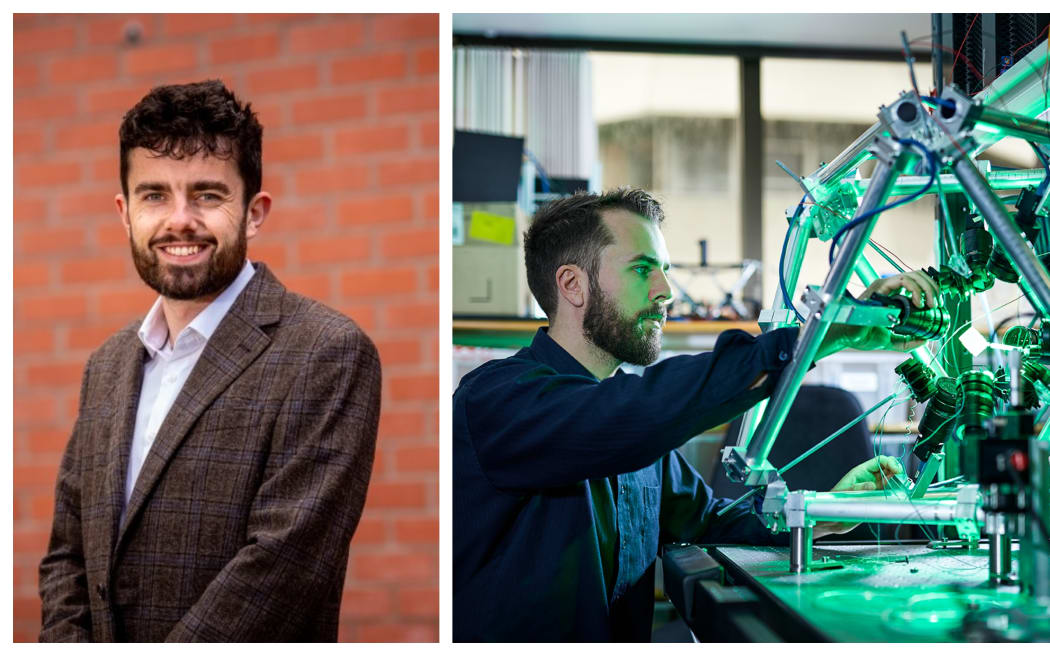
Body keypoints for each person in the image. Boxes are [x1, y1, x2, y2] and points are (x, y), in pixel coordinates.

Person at [452, 188, 937, 641]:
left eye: (664, 268)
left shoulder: (631, 416)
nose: (667, 290)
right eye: (643, 269)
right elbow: (637, 415)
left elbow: (710, 522)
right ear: (572, 285)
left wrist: (823, 510)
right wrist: (822, 336)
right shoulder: (498, 400)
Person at [38, 80, 382, 642]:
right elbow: (66, 556)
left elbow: (283, 569)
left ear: (253, 212)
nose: (180, 221)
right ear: (125, 213)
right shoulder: (105, 366)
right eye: (154, 196)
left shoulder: (327, 351)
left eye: (207, 195)